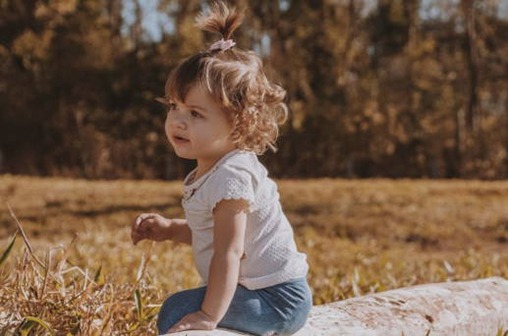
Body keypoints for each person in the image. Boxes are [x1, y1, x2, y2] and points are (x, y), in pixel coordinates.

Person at [131, 2, 311, 335]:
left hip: (277, 300)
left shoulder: (232, 176)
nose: (178, 120)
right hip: (258, 294)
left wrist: (208, 317)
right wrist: (171, 229)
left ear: (237, 123)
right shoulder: (213, 170)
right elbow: (214, 234)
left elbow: (229, 251)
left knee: (179, 310)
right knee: (180, 307)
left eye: (196, 114)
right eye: (175, 107)